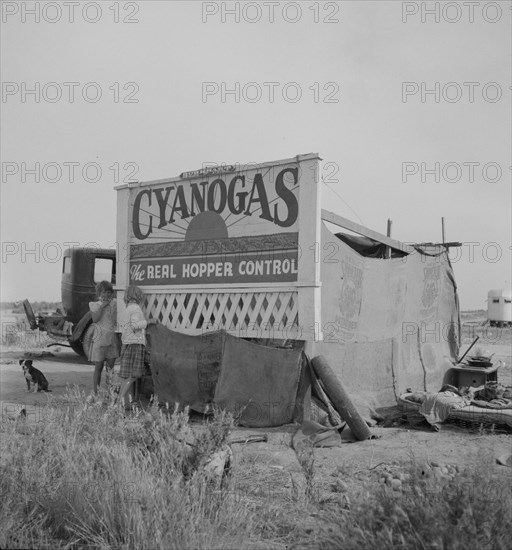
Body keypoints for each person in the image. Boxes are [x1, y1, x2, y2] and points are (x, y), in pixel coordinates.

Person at [118, 285, 156, 409]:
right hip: (135, 344)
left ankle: (125, 403)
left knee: (127, 375)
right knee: (132, 375)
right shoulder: (135, 309)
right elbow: (135, 325)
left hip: (127, 343)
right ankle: (119, 401)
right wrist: (148, 322)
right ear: (138, 296)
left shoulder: (127, 309)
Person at [88, 281, 119, 394]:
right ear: (99, 293)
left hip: (110, 339)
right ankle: (95, 392)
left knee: (110, 368)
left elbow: (116, 319)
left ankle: (110, 391)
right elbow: (95, 319)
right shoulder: (95, 305)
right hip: (99, 340)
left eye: (109, 292)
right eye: (104, 292)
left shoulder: (115, 303)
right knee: (98, 366)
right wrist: (102, 306)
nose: (106, 294)